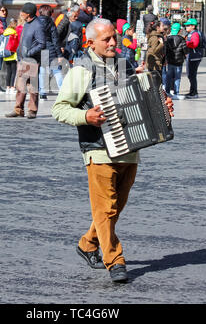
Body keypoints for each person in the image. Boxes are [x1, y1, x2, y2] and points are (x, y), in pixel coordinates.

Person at [52, 18, 174, 283]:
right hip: (98, 150)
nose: (112, 43)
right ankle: (115, 260)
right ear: (90, 42)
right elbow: (59, 109)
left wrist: (163, 107)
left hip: (130, 148)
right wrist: (87, 117)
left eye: (113, 38)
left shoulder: (124, 64)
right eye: (106, 39)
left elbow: (142, 100)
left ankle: (87, 244)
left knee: (115, 207)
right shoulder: (80, 70)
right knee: (106, 208)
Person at [5, 2, 46, 119]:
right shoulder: (27, 24)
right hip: (23, 59)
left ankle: (32, 110)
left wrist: (29, 53)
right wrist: (19, 52)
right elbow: (23, 40)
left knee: (32, 87)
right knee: (20, 86)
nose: (20, 13)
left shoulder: (38, 25)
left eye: (22, 12)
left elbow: (42, 43)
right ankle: (18, 109)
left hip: (32, 60)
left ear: (28, 14)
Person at [38, 5, 63, 100]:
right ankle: (62, 91)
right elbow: (55, 39)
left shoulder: (36, 22)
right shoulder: (51, 23)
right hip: (51, 48)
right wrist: (59, 54)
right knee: (57, 70)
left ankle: (42, 93)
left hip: (40, 49)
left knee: (43, 71)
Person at [165, 22, 188, 100]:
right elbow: (185, 49)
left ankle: (167, 92)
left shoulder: (168, 38)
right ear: (179, 31)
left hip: (170, 61)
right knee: (177, 77)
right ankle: (176, 93)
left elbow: (166, 50)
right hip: (179, 61)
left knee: (169, 76)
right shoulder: (182, 39)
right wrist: (186, 55)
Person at [183, 18, 204, 99]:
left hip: (194, 56)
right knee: (191, 75)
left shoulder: (194, 34)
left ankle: (194, 93)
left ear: (193, 26)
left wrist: (185, 43)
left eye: (188, 25)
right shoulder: (191, 33)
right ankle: (192, 92)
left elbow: (194, 44)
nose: (186, 27)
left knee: (191, 75)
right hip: (192, 56)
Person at [2, 18, 19, 94]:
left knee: (8, 72)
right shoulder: (14, 33)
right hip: (13, 55)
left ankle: (7, 88)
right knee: (14, 72)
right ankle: (12, 87)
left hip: (6, 55)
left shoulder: (5, 32)